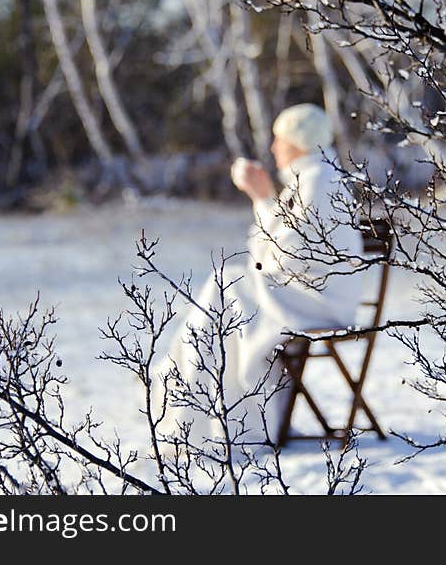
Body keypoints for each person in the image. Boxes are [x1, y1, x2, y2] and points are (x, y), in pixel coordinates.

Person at [151, 104, 364, 454]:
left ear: (298, 141)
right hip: (308, 294)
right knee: (229, 291)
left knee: (228, 286)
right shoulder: (307, 180)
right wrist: (264, 199)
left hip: (319, 301)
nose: (273, 148)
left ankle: (200, 408)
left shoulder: (319, 181)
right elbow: (270, 255)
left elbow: (286, 254)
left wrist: (262, 196)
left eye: (279, 139)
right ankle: (212, 407)